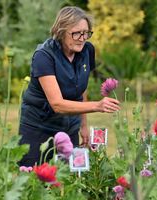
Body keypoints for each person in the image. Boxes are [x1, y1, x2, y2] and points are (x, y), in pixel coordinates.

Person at [18, 6, 120, 167]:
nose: (82, 38)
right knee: (33, 181)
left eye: (86, 32)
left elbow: (82, 87)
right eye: (76, 33)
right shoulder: (44, 56)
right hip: (38, 127)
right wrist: (97, 106)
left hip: (69, 127)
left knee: (69, 180)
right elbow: (57, 104)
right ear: (61, 32)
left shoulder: (87, 50)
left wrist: (83, 125)